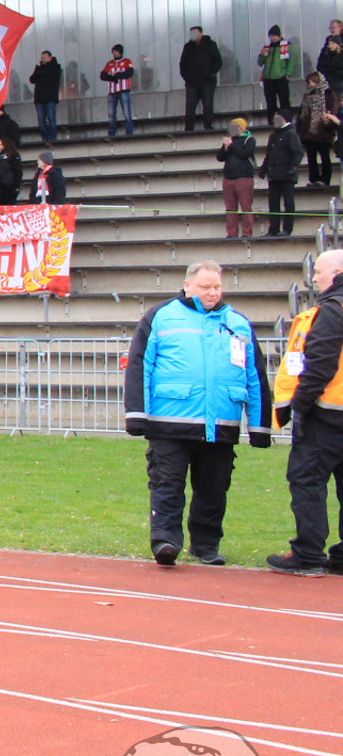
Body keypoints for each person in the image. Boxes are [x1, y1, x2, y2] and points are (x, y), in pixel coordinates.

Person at [123, 260, 270, 567]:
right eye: (205, 287)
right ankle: (165, 541)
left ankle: (206, 546)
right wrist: (136, 413)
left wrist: (260, 426)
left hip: (221, 424)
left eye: (217, 287)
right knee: (167, 485)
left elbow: (255, 375)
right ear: (187, 285)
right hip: (169, 423)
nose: (212, 292)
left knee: (214, 489)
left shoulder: (238, 322)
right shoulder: (160, 317)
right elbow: (140, 364)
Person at [268, 248, 343, 576]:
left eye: (319, 272)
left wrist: (300, 404)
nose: (314, 279)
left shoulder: (332, 310)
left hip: (326, 412)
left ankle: (308, 553)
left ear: (338, 273)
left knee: (307, 480)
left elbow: (320, 362)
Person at [262, 112, 304, 238]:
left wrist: (293, 168)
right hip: (274, 174)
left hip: (287, 174)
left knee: (288, 203)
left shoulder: (291, 133)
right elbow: (269, 155)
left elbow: (298, 153)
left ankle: (287, 229)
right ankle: (273, 228)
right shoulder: (273, 136)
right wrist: (264, 169)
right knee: (273, 203)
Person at [216, 118, 257, 239]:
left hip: (243, 177)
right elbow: (220, 157)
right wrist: (225, 147)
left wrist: (231, 146)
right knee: (230, 208)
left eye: (235, 126)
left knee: (246, 206)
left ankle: (246, 233)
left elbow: (245, 154)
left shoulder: (249, 140)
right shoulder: (230, 141)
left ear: (242, 128)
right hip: (228, 178)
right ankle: (231, 233)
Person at [179, 25, 223, 132]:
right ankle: (189, 129)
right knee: (190, 107)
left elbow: (218, 61)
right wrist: (186, 77)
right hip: (191, 82)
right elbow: (182, 63)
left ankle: (208, 126)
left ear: (201, 33)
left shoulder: (210, 45)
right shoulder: (188, 47)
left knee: (207, 105)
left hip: (207, 81)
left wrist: (211, 73)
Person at [299, 73, 339, 187]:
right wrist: (301, 128)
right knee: (311, 157)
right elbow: (302, 113)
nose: (309, 84)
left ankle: (325, 179)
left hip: (323, 131)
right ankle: (313, 179)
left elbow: (333, 109)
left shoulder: (328, 94)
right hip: (309, 132)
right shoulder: (307, 95)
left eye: (311, 81)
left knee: (324, 156)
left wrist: (328, 122)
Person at [259, 25, 297, 124]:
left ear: (279, 35)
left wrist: (288, 74)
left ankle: (287, 121)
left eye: (274, 36)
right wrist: (263, 55)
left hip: (281, 77)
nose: (272, 38)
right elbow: (260, 62)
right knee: (270, 102)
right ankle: (271, 122)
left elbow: (292, 61)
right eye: (271, 36)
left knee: (284, 101)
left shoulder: (288, 46)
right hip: (268, 78)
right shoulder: (267, 47)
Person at [29, 50, 63, 144]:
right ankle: (44, 138)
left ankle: (52, 138)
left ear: (50, 58)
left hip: (50, 98)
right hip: (39, 98)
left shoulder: (55, 67)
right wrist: (37, 71)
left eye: (45, 57)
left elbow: (54, 76)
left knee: (51, 118)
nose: (43, 59)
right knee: (41, 120)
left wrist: (41, 72)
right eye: (42, 58)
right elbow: (32, 79)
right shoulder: (39, 68)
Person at [101, 44, 136, 137]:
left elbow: (130, 73)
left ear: (119, 52)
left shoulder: (127, 61)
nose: (114, 54)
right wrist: (113, 78)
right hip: (112, 92)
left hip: (124, 90)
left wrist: (116, 76)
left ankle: (129, 132)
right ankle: (111, 133)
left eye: (115, 52)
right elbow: (102, 75)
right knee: (111, 114)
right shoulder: (110, 63)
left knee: (126, 112)